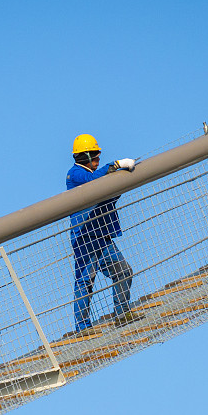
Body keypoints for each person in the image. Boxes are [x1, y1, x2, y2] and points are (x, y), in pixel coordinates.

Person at [66, 134, 140, 333]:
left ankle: (122, 314)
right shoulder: (75, 174)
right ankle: (83, 328)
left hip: (101, 236)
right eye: (96, 155)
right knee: (85, 281)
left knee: (123, 271)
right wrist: (115, 165)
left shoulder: (96, 175)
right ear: (86, 156)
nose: (98, 159)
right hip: (84, 238)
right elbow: (91, 180)